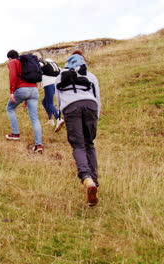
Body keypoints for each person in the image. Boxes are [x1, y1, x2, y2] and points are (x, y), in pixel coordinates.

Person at [55, 53, 101, 206]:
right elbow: (97, 97)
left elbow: (59, 100)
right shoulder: (90, 75)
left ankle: (87, 179)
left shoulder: (61, 75)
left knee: (78, 145)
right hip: (91, 106)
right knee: (89, 144)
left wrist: (62, 117)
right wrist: (96, 117)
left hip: (71, 108)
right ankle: (94, 182)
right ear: (83, 61)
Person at [5, 50, 43, 153]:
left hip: (22, 89)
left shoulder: (13, 62)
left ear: (9, 58)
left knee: (10, 108)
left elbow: (12, 76)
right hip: (34, 90)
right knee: (34, 118)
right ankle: (39, 145)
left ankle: (15, 134)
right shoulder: (26, 62)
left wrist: (12, 91)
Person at [34, 52, 65, 129]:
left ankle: (59, 118)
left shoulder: (40, 63)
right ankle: (50, 120)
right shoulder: (50, 61)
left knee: (49, 102)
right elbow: (60, 70)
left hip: (48, 84)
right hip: (56, 83)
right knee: (44, 102)